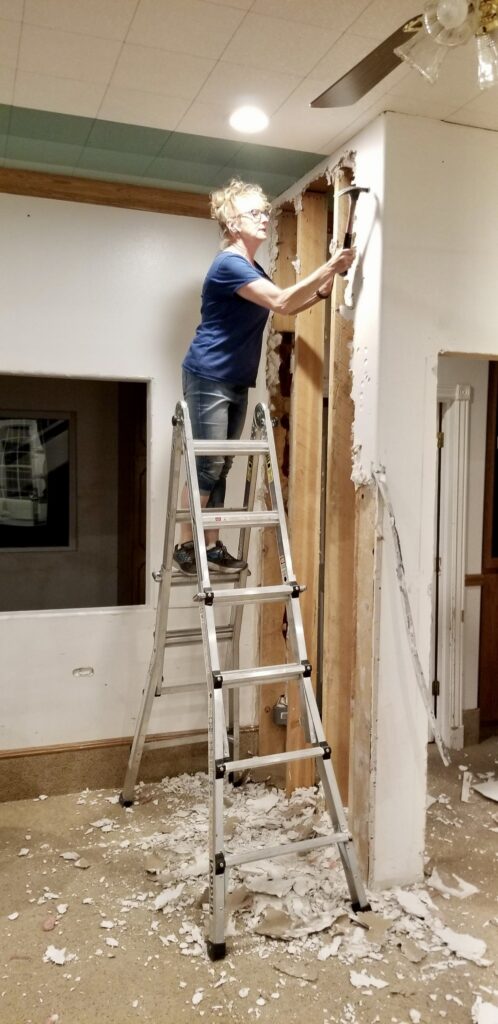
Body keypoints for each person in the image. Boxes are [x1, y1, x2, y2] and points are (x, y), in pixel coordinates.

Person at [173, 178, 356, 576]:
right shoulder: (228, 264)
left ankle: (212, 544)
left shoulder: (252, 267)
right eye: (255, 212)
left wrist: (324, 289)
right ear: (232, 221)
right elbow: (282, 300)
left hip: (235, 377)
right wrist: (329, 266)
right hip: (208, 373)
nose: (264, 218)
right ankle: (188, 547)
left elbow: (288, 308)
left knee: (219, 466)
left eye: (264, 211)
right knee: (208, 465)